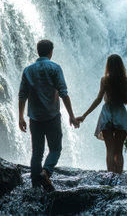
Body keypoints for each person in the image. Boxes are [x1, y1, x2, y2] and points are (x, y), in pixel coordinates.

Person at [18, 39, 80, 191]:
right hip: (52, 117)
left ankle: (35, 186)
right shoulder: (55, 68)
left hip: (35, 118)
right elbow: (63, 93)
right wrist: (71, 115)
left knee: (37, 152)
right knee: (56, 149)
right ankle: (46, 172)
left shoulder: (28, 70)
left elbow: (22, 95)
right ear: (51, 52)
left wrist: (20, 117)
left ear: (37, 51)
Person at [76, 54, 127, 174]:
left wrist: (84, 115)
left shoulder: (105, 80)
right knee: (118, 151)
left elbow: (98, 99)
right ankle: (119, 177)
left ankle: (110, 176)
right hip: (121, 114)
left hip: (107, 114)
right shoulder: (126, 80)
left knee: (109, 150)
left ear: (108, 66)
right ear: (121, 65)